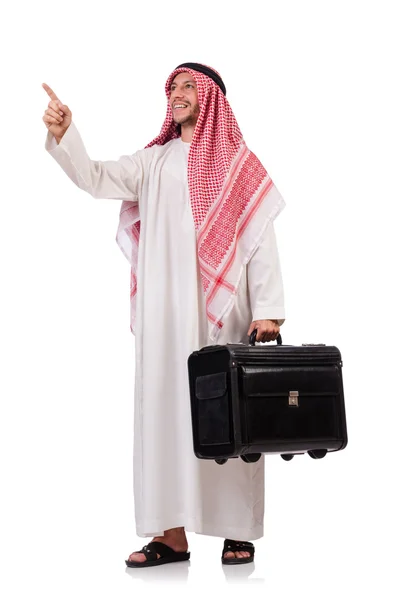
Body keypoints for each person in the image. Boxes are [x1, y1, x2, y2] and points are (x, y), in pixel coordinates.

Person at [42, 62, 286, 568]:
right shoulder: (152, 162)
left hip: (223, 315)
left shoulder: (238, 165)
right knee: (164, 417)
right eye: (172, 87)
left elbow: (261, 240)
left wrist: (268, 311)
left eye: (187, 86)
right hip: (161, 317)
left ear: (212, 98)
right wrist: (67, 135)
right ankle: (170, 536)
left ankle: (237, 531)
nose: (176, 94)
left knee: (230, 416)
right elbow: (95, 177)